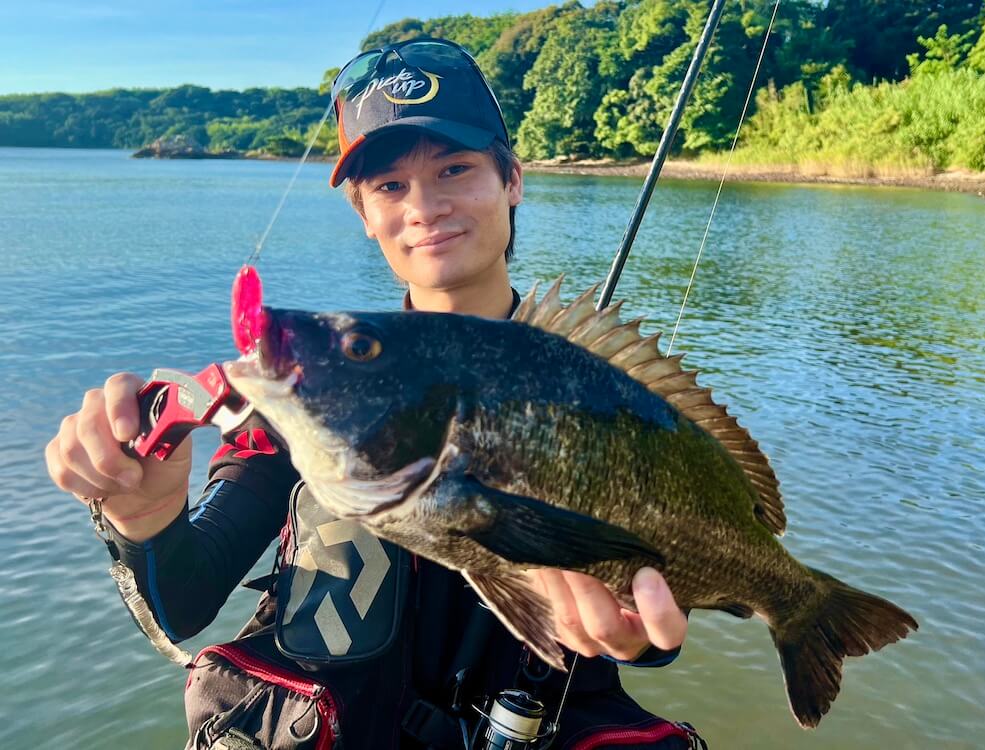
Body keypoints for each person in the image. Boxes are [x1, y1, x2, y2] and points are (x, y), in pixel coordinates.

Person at [45, 38, 698, 749]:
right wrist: (143, 517)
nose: (425, 206)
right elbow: (182, 604)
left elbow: (675, 583)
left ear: (512, 179)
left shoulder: (608, 393)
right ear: (363, 214)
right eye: (390, 186)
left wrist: (645, 636)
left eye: (455, 168)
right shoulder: (314, 395)